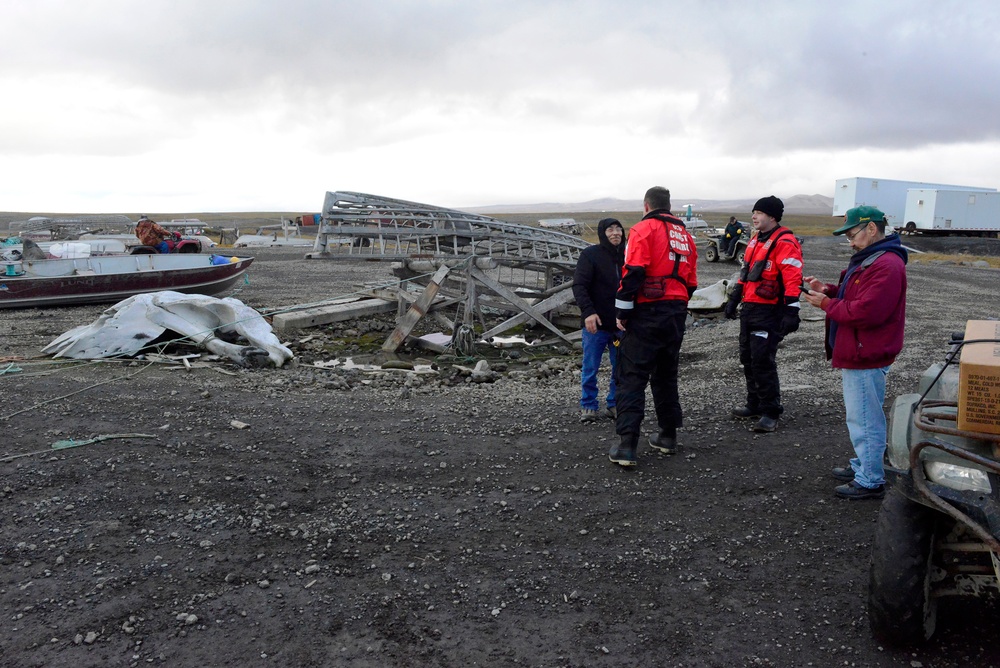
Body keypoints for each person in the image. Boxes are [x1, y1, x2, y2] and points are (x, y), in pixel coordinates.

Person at [802, 205, 907, 500]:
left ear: (871, 228)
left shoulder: (885, 265)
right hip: (862, 350)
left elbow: (866, 312)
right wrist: (830, 290)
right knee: (863, 414)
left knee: (864, 417)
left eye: (852, 233)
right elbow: (856, 297)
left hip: (866, 353)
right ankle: (866, 464)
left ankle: (871, 478)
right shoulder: (872, 260)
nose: (849, 240)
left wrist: (825, 303)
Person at [610, 187, 697, 467]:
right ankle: (667, 436)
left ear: (646, 205)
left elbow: (633, 270)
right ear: (668, 206)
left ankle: (626, 445)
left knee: (631, 376)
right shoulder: (686, 236)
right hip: (676, 312)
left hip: (648, 310)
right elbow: (692, 280)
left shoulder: (642, 229)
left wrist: (622, 310)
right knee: (666, 374)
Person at [724, 195, 803, 433]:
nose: (754, 216)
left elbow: (792, 277)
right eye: (753, 212)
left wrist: (792, 310)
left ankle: (771, 411)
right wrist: (734, 299)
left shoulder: (785, 242)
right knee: (748, 358)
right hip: (750, 309)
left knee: (762, 361)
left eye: (758, 212)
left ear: (772, 216)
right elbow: (745, 272)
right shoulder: (755, 241)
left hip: (770, 312)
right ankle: (754, 404)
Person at [572, 218, 626, 422]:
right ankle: (588, 404)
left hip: (621, 323)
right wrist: (588, 312)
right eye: (610, 230)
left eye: (618, 229)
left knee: (620, 367)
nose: (615, 233)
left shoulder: (629, 256)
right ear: (602, 233)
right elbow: (579, 286)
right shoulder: (590, 255)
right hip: (596, 322)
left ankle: (613, 404)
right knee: (590, 366)